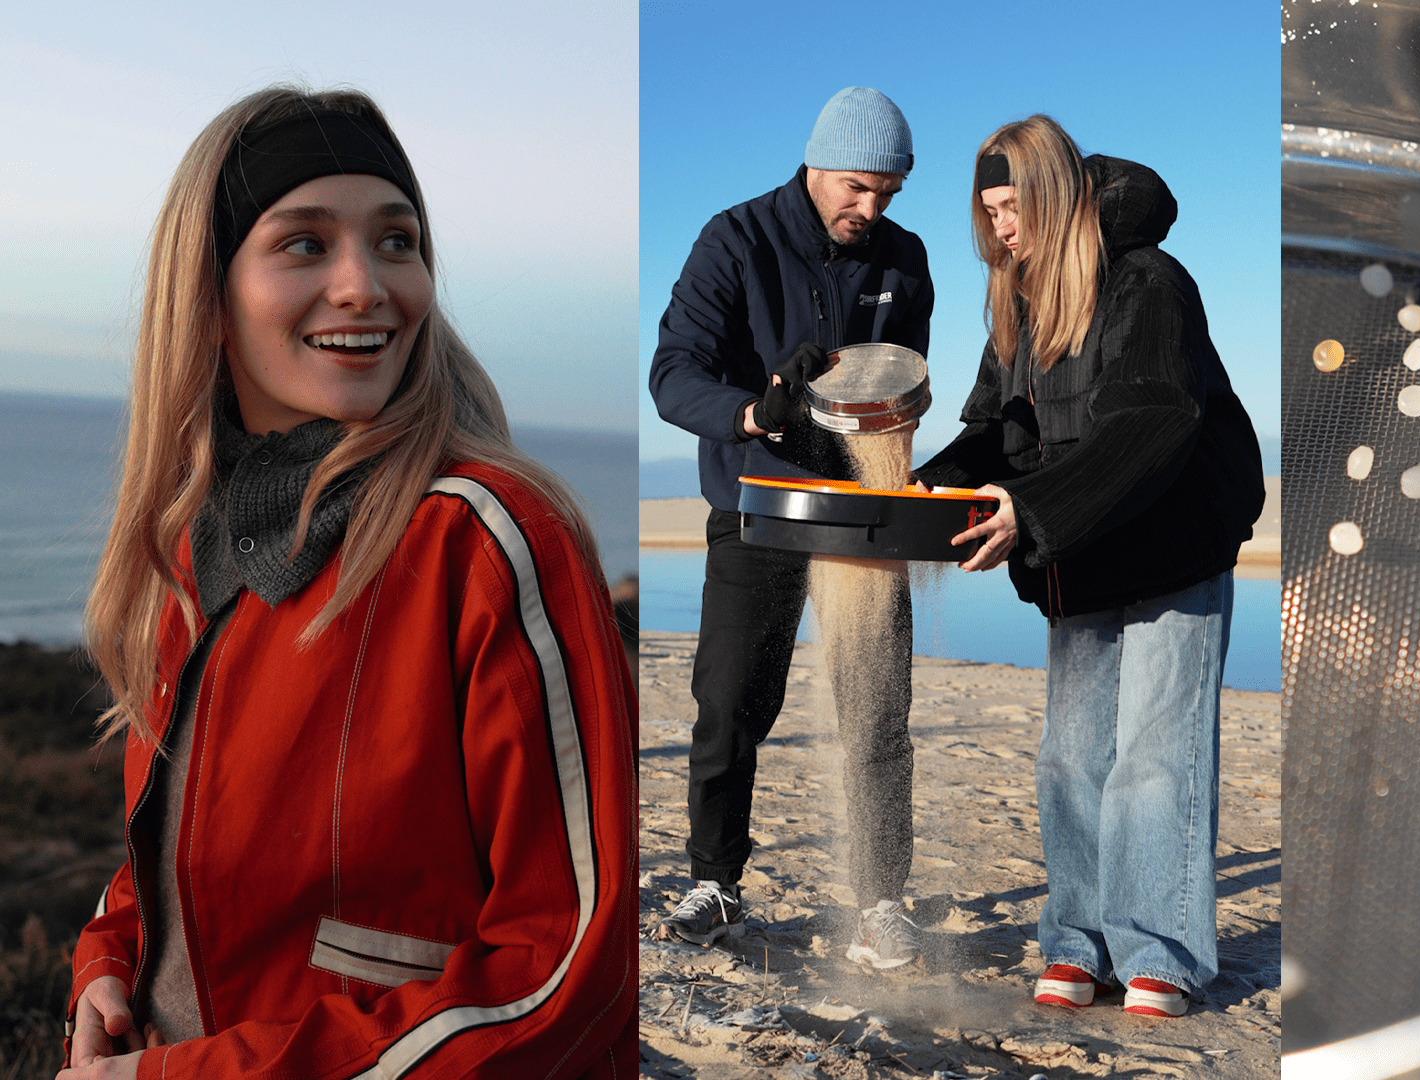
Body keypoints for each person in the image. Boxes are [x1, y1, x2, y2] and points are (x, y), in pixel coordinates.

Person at [60, 87, 637, 1079]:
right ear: (209, 287)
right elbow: (173, 841)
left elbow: (577, 960)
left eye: (398, 241)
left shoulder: (487, 537)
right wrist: (107, 962)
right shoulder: (195, 544)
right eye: (305, 243)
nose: (367, 285)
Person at [912, 116, 1264, 1017]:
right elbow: (998, 430)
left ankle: (1161, 953)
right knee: (1070, 759)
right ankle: (1078, 942)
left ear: (1054, 195)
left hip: (1173, 546)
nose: (1002, 228)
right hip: (1081, 551)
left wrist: (1031, 511)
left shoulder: (1150, 281)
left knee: (1155, 759)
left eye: (1014, 206)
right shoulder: (1019, 301)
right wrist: (925, 493)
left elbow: (1150, 420)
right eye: (988, 211)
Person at [647, 87, 933, 967]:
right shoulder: (732, 239)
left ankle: (883, 903)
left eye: (887, 192)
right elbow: (672, 375)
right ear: (815, 166)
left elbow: (901, 386)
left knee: (878, 713)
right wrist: (755, 411)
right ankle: (717, 882)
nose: (870, 208)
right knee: (730, 703)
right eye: (855, 187)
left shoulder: (906, 257)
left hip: (864, 520)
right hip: (757, 506)